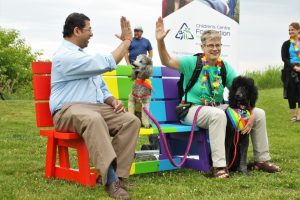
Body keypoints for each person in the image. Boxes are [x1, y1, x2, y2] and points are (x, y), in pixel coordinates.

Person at [155, 17, 280, 178]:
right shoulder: (192, 62)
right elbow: (167, 60)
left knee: (260, 113)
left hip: (216, 108)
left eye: (217, 45)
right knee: (218, 115)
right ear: (203, 47)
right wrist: (160, 41)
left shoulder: (224, 67)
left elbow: (241, 88)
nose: (215, 48)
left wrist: (252, 110)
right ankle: (219, 166)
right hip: (191, 109)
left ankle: (261, 160)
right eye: (210, 45)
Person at [50, 13, 140, 199]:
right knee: (94, 119)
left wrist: (112, 101)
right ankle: (111, 181)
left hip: (94, 108)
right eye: (89, 29)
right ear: (76, 31)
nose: (91, 34)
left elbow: (101, 87)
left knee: (130, 121)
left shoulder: (82, 57)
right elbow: (106, 63)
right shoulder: (64, 56)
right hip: (67, 110)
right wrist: (126, 42)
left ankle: (118, 176)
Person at [281, 22, 300, 122]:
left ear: (298, 30)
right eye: (289, 30)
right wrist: (294, 67)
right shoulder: (286, 44)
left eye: (292, 29)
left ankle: (299, 116)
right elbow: (284, 58)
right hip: (290, 70)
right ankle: (293, 116)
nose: (290, 31)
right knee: (291, 93)